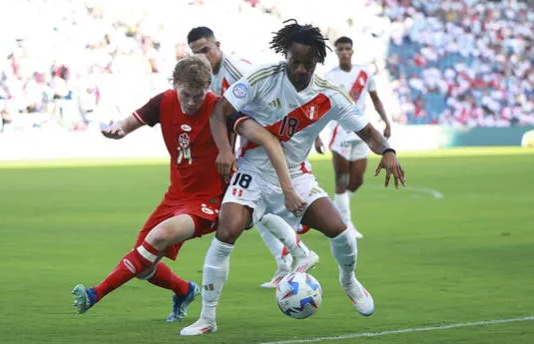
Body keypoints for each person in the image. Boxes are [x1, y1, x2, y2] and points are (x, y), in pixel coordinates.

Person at [181, 20, 405, 336]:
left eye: (307, 64)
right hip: (252, 172)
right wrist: (225, 152)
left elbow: (368, 131)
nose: (300, 69)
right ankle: (207, 318)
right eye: (295, 61)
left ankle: (348, 279)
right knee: (227, 229)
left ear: (318, 62)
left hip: (297, 173)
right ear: (285, 54)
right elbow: (220, 111)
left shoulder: (331, 95)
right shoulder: (262, 77)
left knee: (339, 229)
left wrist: (388, 150)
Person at [70, 55, 306, 322]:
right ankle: (184, 290)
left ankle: (94, 294)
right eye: (186, 95)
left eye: (198, 95)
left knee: (158, 237)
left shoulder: (220, 108)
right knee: (142, 265)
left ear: (208, 86)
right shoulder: (163, 102)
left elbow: (261, 134)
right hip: (176, 195)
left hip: (211, 200)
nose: (192, 102)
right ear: (175, 84)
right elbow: (126, 125)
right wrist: (116, 130)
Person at [188, 26, 318, 288]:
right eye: (196, 53)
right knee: (252, 210)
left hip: (263, 146)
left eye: (206, 50)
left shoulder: (237, 70)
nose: (202, 56)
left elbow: (271, 101)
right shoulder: (206, 75)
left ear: (218, 45)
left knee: (252, 208)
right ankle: (289, 258)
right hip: (245, 145)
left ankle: (297, 252)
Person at [319, 36, 392, 239]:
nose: (344, 52)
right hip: (339, 131)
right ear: (336, 52)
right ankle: (346, 223)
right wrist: (317, 135)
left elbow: (375, 99)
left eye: (347, 48)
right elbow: (320, 106)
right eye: (340, 49)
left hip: (361, 131)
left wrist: (386, 121)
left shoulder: (364, 74)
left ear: (352, 51)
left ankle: (336, 209)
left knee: (358, 179)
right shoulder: (329, 77)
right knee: (341, 181)